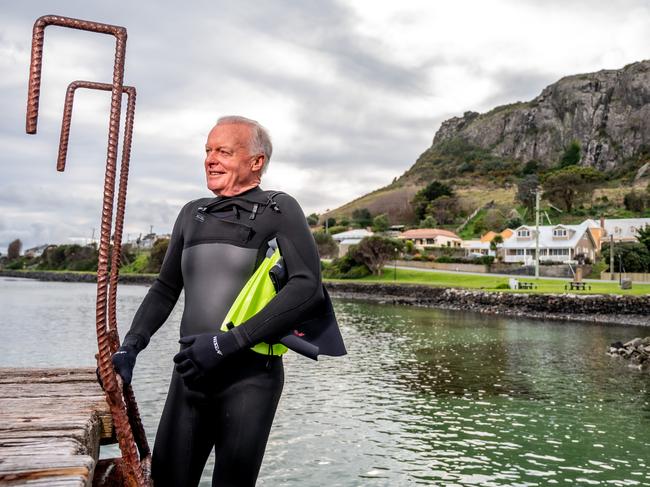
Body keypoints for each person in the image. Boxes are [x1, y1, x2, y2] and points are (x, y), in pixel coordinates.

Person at [111, 116, 325, 487]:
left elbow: (307, 287)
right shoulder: (192, 214)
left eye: (223, 151)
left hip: (250, 379)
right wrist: (131, 348)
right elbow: (165, 287)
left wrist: (229, 343)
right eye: (208, 151)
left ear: (256, 161)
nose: (210, 159)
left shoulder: (279, 209)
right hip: (191, 374)